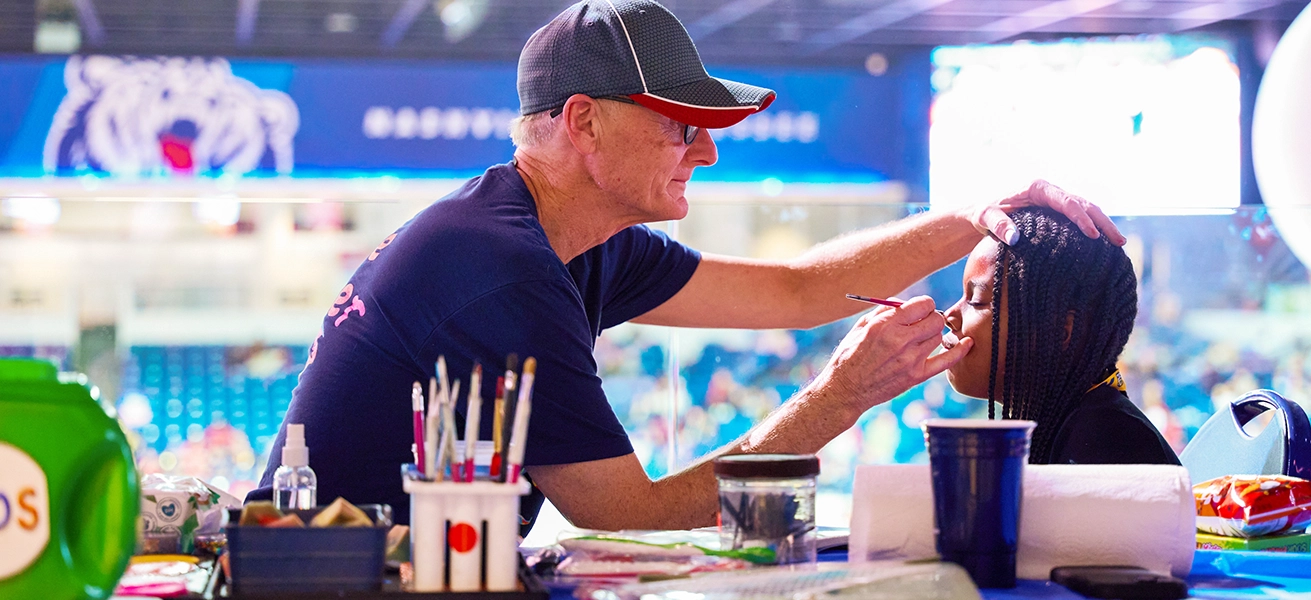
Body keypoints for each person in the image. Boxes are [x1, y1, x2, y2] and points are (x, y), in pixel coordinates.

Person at [249, 0, 1126, 530]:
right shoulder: (500, 266)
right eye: (679, 122)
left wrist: (981, 211)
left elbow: (796, 291)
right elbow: (632, 516)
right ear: (584, 123)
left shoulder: (572, 239)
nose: (704, 153)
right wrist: (839, 398)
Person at [940, 207, 1179, 466]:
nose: (949, 315)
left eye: (975, 300)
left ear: (1059, 332)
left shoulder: (1105, 441)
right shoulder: (1070, 423)